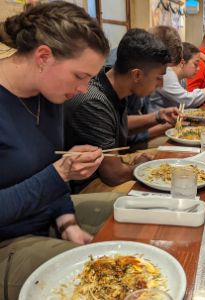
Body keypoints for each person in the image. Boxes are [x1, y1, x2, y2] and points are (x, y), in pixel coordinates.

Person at [0, 3, 118, 298]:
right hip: (6, 240)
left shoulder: (50, 96)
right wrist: (59, 174)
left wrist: (68, 223)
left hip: (43, 220)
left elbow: (50, 174)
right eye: (80, 76)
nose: (83, 89)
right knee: (103, 279)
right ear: (43, 56)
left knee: (131, 211)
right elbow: (52, 176)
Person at [63, 28, 178, 194]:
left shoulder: (114, 83)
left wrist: (158, 116)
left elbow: (119, 127)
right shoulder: (94, 102)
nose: (160, 85)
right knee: (165, 187)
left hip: (112, 167)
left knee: (170, 160)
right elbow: (114, 176)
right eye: (158, 78)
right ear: (137, 75)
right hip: (88, 186)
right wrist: (140, 167)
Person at [154, 43, 205, 110]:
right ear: (182, 63)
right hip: (157, 122)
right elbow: (187, 101)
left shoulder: (182, 79)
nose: (198, 68)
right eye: (195, 64)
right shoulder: (167, 75)